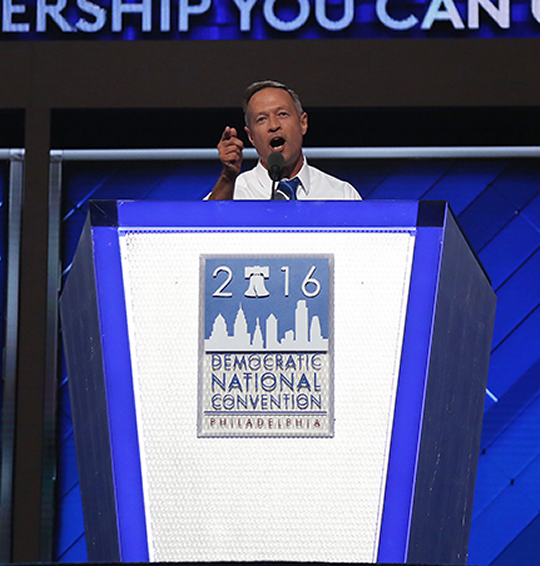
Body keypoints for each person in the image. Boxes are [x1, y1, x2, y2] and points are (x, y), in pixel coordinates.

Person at [208, 80, 361, 200]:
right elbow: (206, 234)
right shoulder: (235, 193)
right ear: (251, 137)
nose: (273, 126)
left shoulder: (341, 194)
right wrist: (228, 178)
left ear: (303, 123)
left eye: (282, 114)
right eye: (261, 119)